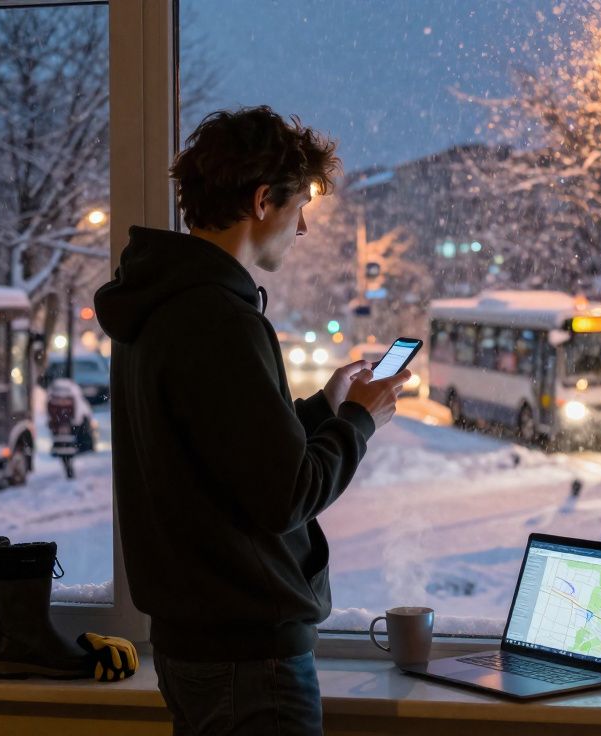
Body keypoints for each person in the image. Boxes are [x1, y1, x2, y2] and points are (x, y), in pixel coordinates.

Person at [94, 106, 410, 736]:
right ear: (264, 200)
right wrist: (357, 421)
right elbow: (286, 494)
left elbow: (220, 450)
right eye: (299, 211)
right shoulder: (221, 321)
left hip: (195, 645)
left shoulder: (158, 306)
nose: (301, 232)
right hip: (249, 656)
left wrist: (323, 408)